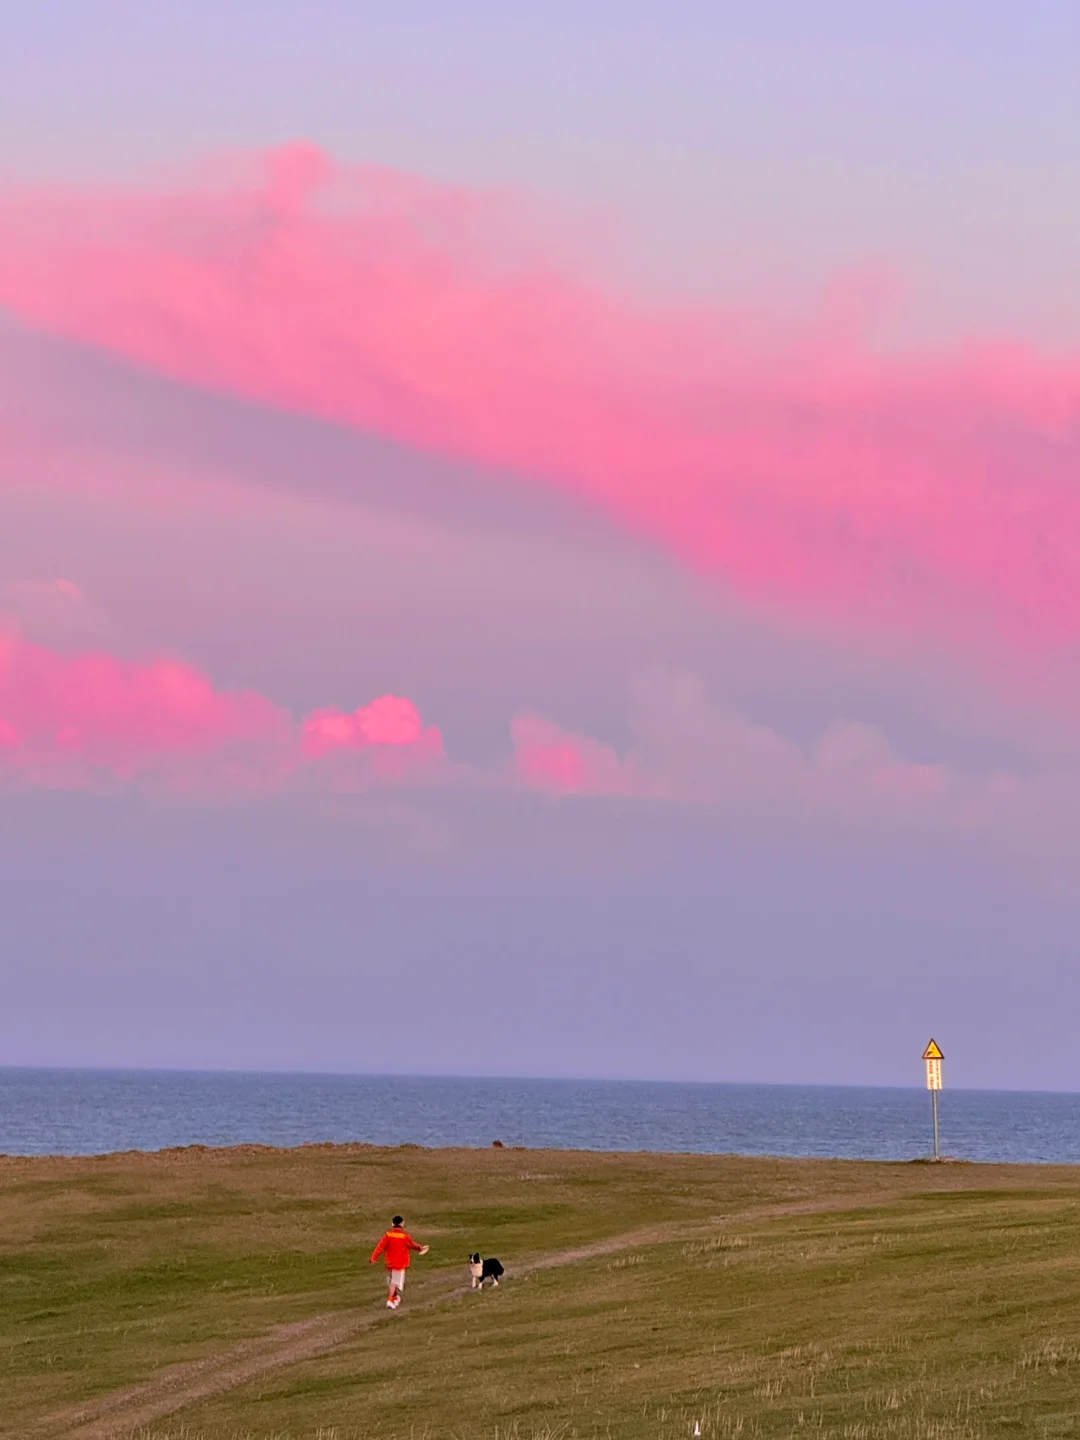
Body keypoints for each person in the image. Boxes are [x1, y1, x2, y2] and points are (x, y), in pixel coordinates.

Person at [370, 1214, 429, 1309]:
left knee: (393, 1281)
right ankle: (390, 1300)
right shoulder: (404, 1236)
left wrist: (374, 1258)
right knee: (395, 1283)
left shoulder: (388, 1235)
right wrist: (420, 1248)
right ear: (401, 1224)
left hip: (390, 1263)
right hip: (400, 1263)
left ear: (393, 1224)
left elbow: (380, 1247)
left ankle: (395, 1298)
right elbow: (412, 1244)